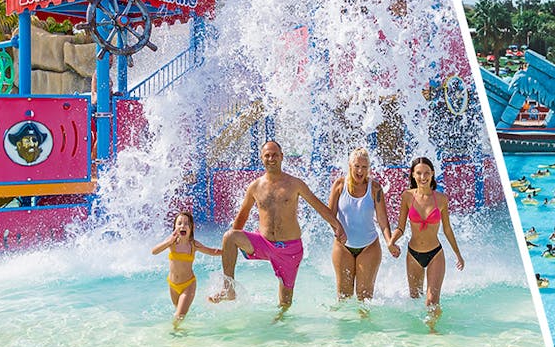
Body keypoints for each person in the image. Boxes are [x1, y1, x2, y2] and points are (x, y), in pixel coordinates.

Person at [210, 140, 345, 312]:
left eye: (275, 155)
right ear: (262, 159)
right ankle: (228, 288)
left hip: (289, 248)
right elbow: (241, 218)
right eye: (267, 155)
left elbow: (318, 206)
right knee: (229, 236)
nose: (271, 158)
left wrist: (337, 226)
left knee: (285, 303)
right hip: (263, 243)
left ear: (282, 157)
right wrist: (229, 248)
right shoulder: (255, 186)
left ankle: (280, 325)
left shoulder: (295, 184)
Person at [389, 157, 466, 326]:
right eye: (419, 173)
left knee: (431, 301)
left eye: (426, 173)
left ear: (432, 174)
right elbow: (400, 227)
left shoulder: (441, 199)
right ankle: (418, 335)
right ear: (413, 175)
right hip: (413, 255)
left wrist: (458, 255)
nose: (423, 177)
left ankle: (432, 331)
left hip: (435, 254)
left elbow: (447, 229)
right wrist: (391, 241)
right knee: (415, 299)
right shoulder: (407, 197)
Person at [327, 147, 393, 306]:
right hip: (343, 247)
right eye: (357, 166)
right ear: (350, 165)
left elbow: (383, 220)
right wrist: (337, 229)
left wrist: (389, 241)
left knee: (365, 300)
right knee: (344, 298)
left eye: (364, 167)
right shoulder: (339, 185)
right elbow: (330, 215)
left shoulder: (375, 188)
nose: (360, 170)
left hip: (369, 247)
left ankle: (367, 331)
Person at [151, 211, 221, 327]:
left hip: (188, 285)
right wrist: (168, 242)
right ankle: (183, 333)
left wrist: (227, 251)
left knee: (178, 317)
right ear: (175, 227)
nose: (182, 226)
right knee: (180, 314)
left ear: (191, 228)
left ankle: (175, 338)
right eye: (179, 223)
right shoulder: (171, 243)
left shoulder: (193, 245)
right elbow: (154, 251)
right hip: (173, 285)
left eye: (186, 223)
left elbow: (211, 251)